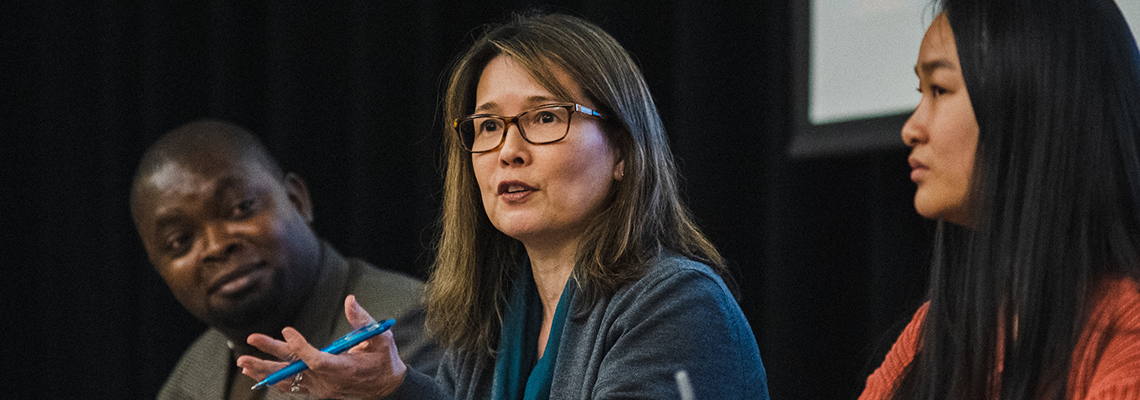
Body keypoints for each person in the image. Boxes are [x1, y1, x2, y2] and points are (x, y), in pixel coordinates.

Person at [237, 12, 768, 400]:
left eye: (543, 118)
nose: (509, 150)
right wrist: (388, 390)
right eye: (488, 126)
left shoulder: (680, 306)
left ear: (623, 152)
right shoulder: (489, 321)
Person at [859, 0, 1140, 399]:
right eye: (921, 93)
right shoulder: (934, 333)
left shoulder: (1126, 336)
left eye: (939, 89)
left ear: (1033, 102)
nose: (910, 129)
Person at [130, 119, 441, 400]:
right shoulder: (194, 370)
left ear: (297, 200)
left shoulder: (404, 327)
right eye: (179, 241)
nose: (216, 246)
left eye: (240, 208)